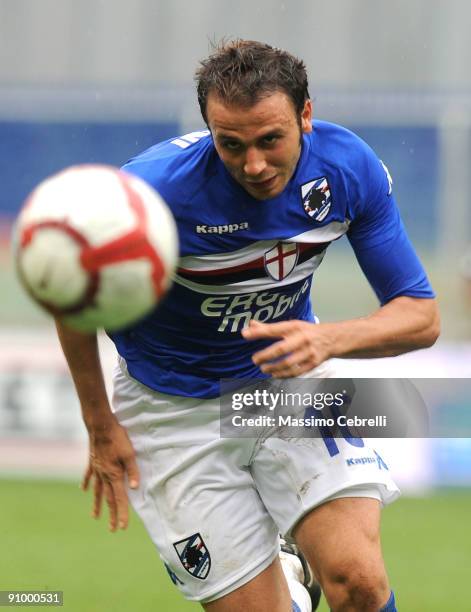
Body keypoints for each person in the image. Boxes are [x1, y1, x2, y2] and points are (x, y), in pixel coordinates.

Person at [55, 40, 440, 612]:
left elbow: (420, 315)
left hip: (283, 389)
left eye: (270, 140)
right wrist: (99, 423)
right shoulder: (150, 195)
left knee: (359, 581)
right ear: (208, 126)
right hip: (171, 411)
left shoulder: (346, 169)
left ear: (306, 115)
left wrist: (327, 339)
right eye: (229, 144)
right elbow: (71, 297)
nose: (253, 164)